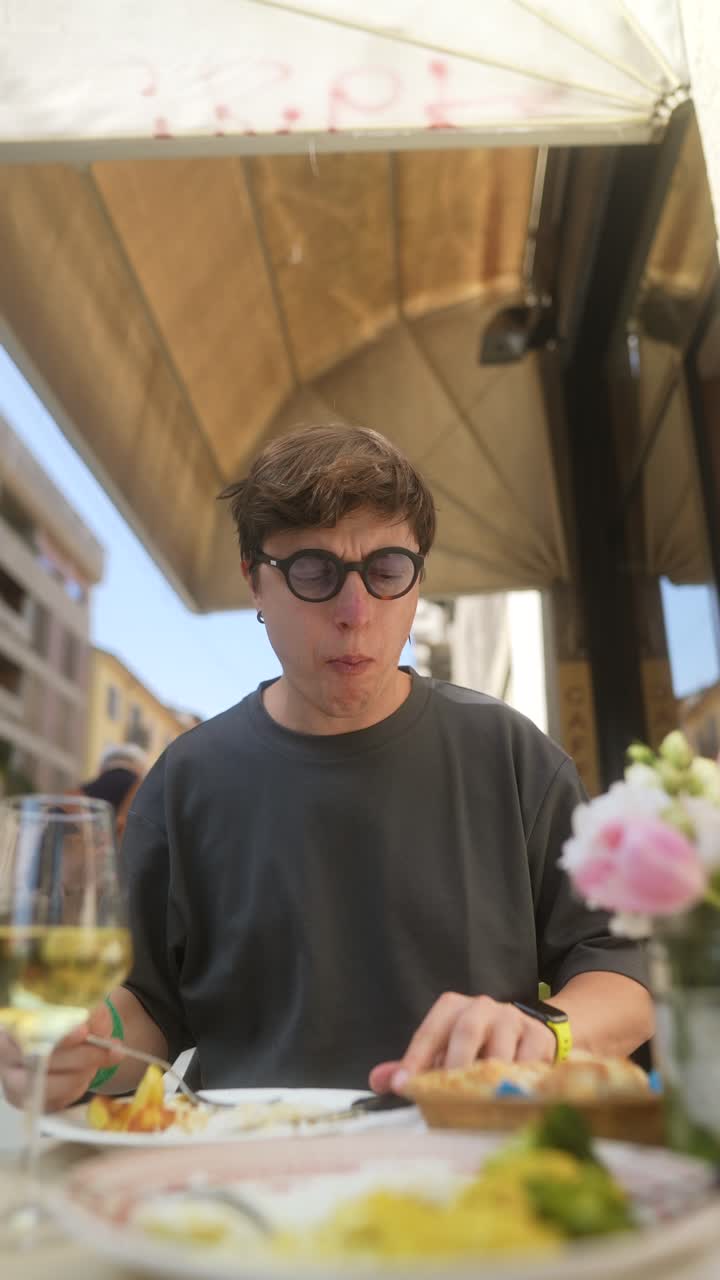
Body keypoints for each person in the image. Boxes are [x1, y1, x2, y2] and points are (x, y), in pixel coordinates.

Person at [0, 424, 653, 1111]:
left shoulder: (513, 757)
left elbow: (622, 970)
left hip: (471, 1161)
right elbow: (150, 1009)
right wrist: (84, 1054)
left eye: (387, 571)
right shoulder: (185, 780)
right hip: (242, 1179)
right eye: (313, 572)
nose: (355, 612)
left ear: (417, 581)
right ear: (255, 581)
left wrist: (541, 1035)